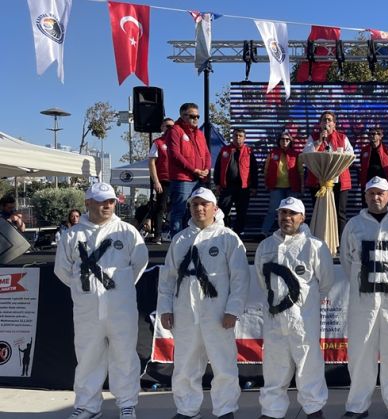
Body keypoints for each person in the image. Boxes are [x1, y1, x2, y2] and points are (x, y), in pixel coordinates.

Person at [54, 182, 148, 419]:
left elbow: (139, 264)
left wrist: (119, 289)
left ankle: (127, 404)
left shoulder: (127, 232)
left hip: (121, 307)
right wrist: (86, 291)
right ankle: (87, 406)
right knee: (87, 357)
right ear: (87, 203)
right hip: (87, 309)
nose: (107, 205)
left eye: (111, 201)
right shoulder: (73, 235)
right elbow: (63, 271)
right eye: (101, 201)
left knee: (124, 355)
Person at [157, 187, 249, 419]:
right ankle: (187, 409)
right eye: (194, 204)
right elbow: (168, 278)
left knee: (223, 363)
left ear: (214, 208)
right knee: (186, 363)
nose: (199, 208)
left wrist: (233, 310)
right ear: (189, 207)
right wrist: (166, 308)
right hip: (185, 312)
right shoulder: (180, 239)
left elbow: (240, 278)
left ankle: (225, 409)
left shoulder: (228, 238)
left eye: (204, 204)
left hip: (217, 312)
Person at [340, 177, 388, 419]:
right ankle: (357, 406)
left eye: (380, 193)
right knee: (360, 355)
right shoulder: (353, 225)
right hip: (363, 303)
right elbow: (347, 260)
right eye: (371, 193)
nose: (376, 197)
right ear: (365, 196)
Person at [255, 197, 334, 419]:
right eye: (282, 213)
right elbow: (262, 280)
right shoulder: (266, 246)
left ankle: (313, 409)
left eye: (291, 214)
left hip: (303, 320)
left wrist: (304, 307)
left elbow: (325, 282)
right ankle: (272, 410)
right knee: (273, 367)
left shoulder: (315, 246)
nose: (286, 218)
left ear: (302, 217)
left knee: (309, 365)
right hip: (274, 319)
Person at [303, 111, 355, 238]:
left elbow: (351, 155)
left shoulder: (342, 138)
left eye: (329, 120)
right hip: (319, 181)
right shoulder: (314, 137)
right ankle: (319, 238)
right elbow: (306, 154)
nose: (327, 122)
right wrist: (319, 141)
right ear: (320, 124)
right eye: (324, 120)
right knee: (319, 211)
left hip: (339, 181)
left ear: (334, 124)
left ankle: (340, 242)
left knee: (339, 213)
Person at [167, 103, 211, 237]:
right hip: (182, 179)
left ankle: (190, 240)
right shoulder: (175, 130)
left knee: (194, 212)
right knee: (179, 212)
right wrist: (194, 169)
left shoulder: (199, 133)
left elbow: (207, 154)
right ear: (182, 115)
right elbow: (175, 154)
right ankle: (176, 242)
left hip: (199, 179)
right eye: (192, 116)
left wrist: (206, 169)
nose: (196, 119)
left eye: (198, 116)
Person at [214, 128, 259, 236]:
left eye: (240, 136)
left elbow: (254, 170)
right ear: (232, 137)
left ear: (244, 138)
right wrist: (217, 184)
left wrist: (254, 186)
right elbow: (217, 168)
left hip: (243, 188)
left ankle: (238, 233)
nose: (237, 138)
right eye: (235, 135)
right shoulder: (225, 150)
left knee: (241, 213)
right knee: (222, 211)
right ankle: (222, 232)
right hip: (227, 187)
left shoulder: (249, 151)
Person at [262, 130, 302, 235]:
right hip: (276, 187)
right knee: (273, 210)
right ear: (279, 141)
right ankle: (264, 232)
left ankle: (293, 232)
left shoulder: (295, 154)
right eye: (282, 139)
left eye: (287, 139)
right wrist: (267, 183)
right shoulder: (272, 153)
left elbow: (300, 171)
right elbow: (266, 169)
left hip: (292, 187)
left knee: (293, 211)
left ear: (290, 141)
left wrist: (302, 186)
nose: (284, 141)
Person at [147, 117, 175, 243]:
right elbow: (151, 163)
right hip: (163, 180)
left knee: (180, 207)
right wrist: (156, 181)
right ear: (162, 128)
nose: (169, 128)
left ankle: (178, 233)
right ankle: (157, 235)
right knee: (161, 207)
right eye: (167, 126)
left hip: (178, 180)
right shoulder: (158, 143)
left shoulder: (179, 142)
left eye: (171, 126)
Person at [358, 127, 388, 204]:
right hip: (367, 182)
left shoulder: (387, 150)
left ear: (380, 136)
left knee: (383, 205)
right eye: (371, 134)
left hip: (382, 184)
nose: (373, 136)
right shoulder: (364, 150)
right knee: (366, 206)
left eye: (376, 134)